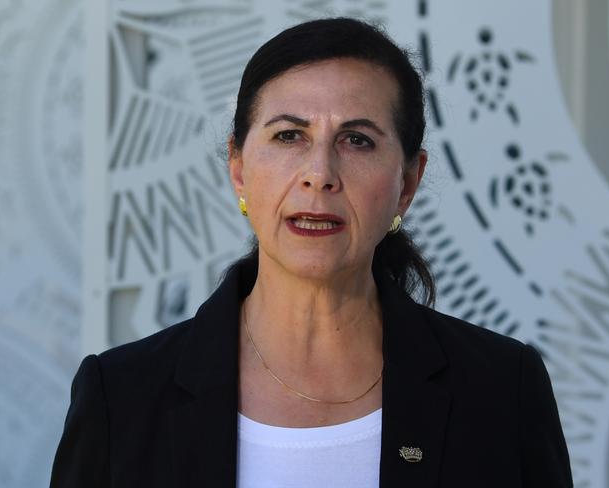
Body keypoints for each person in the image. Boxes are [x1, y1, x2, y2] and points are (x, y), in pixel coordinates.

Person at [50, 17, 573, 488]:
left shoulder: (502, 390)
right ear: (238, 167)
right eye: (289, 135)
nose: (319, 174)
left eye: (358, 141)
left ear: (407, 182)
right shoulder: (121, 397)